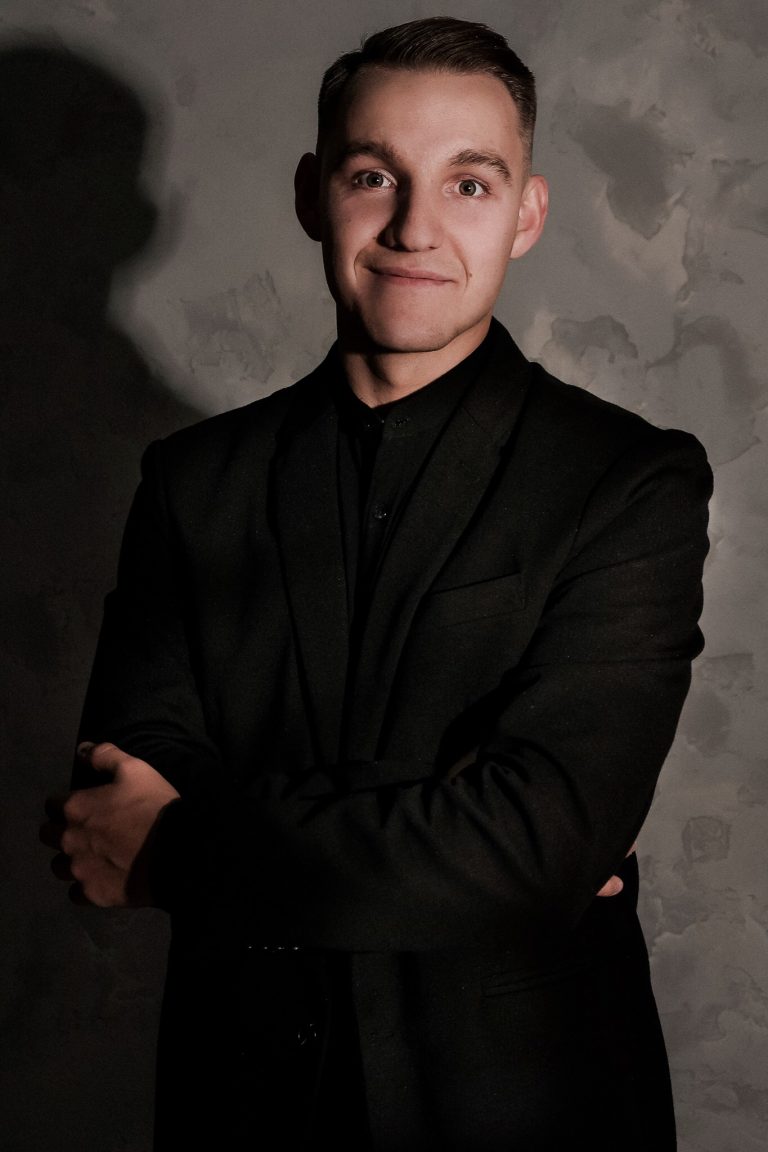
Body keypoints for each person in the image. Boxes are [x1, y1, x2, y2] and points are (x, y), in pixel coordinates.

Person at [41, 17, 712, 1151]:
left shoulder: (627, 481)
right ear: (314, 194)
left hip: (522, 1114)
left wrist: (182, 848)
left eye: (468, 183)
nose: (414, 226)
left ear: (527, 214)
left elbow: (540, 840)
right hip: (242, 1105)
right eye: (372, 176)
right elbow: (117, 788)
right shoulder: (191, 482)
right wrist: (473, 829)